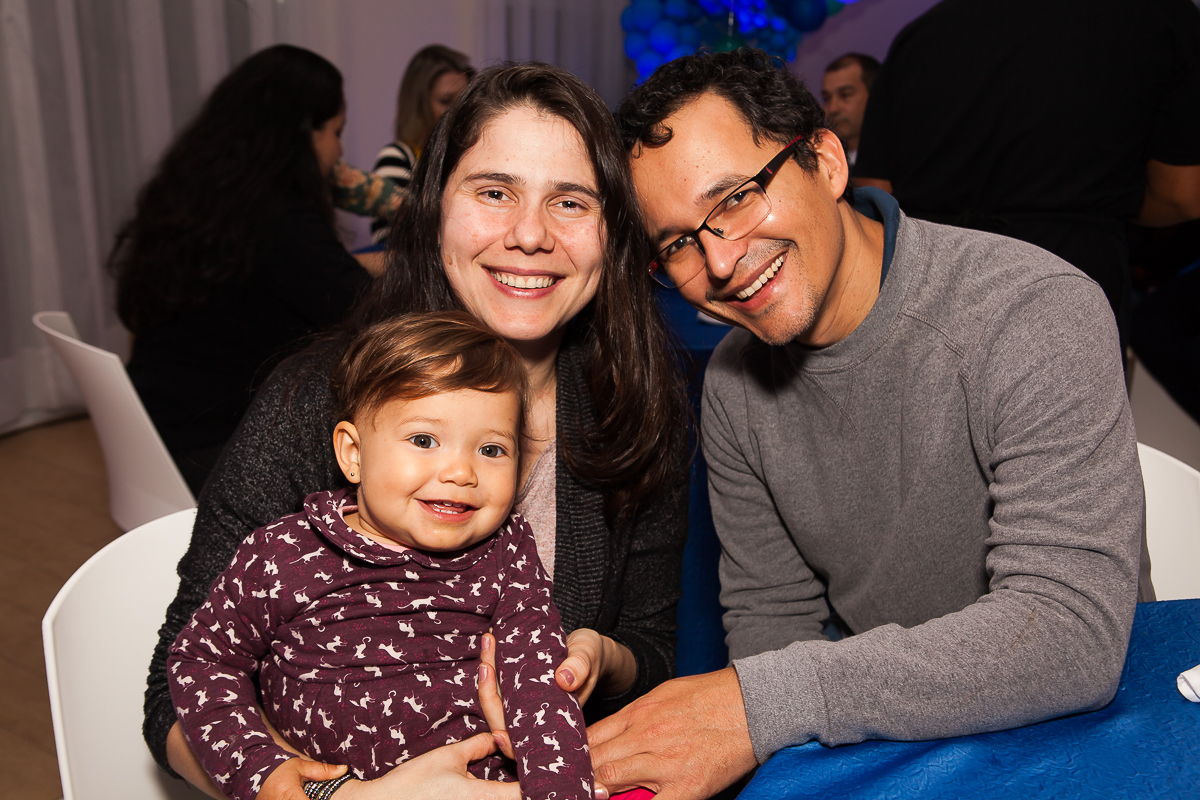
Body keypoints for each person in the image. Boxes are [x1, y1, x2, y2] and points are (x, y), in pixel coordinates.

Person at [588, 48, 1145, 800]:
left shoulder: (1031, 309)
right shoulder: (729, 384)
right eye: (678, 245)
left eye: (736, 198)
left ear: (825, 160)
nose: (719, 262)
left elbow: (1069, 635)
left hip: (1080, 735)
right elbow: (771, 615)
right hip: (887, 739)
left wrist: (764, 701)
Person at [144, 62, 690, 800]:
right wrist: (328, 797)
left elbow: (655, 649)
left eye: (570, 202)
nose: (529, 235)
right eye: (494, 192)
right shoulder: (319, 399)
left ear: (612, 233)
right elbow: (176, 687)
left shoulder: (635, 403)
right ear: (434, 207)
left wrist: (601, 659)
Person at [168, 312, 592, 800]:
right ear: (353, 453)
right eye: (424, 440)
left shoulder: (508, 554)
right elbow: (202, 661)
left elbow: (538, 688)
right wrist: (259, 770)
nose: (460, 471)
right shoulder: (283, 554)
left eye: (492, 450)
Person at [110, 45, 384, 495]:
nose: (338, 150)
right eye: (336, 132)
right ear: (303, 135)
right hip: (217, 449)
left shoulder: (204, 197)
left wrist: (377, 260)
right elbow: (365, 307)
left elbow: (299, 274)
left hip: (159, 431)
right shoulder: (282, 219)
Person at [853, 0, 1200, 352]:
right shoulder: (1160, 15)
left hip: (935, 284)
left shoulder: (918, 35)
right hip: (1070, 277)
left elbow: (875, 196)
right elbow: (1182, 194)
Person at [369, 45, 475, 240]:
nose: (457, 111)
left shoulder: (474, 155)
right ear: (419, 106)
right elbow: (386, 246)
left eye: (464, 100)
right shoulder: (398, 157)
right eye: (445, 101)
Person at [819, 53, 879, 173]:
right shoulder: (821, 166)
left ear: (875, 96)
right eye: (827, 98)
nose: (833, 108)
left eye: (845, 95)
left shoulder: (899, 160)